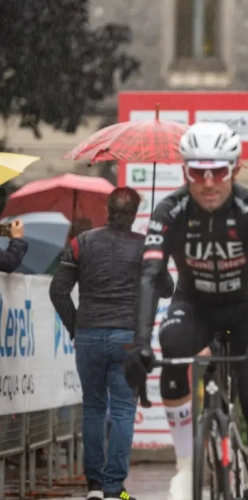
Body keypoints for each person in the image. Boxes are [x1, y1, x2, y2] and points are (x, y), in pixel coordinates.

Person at [123, 121, 248, 500]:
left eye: (217, 172)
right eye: (198, 172)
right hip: (194, 305)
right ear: (185, 172)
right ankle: (186, 466)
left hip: (246, 311)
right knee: (172, 342)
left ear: (234, 170)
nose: (208, 183)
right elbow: (149, 275)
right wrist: (139, 343)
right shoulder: (170, 210)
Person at [49, 188, 174, 500]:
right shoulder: (147, 247)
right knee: (121, 411)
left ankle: (93, 486)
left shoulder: (81, 242)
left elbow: (57, 291)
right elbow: (168, 289)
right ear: (135, 213)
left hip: (89, 333)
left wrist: (75, 326)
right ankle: (113, 487)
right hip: (129, 339)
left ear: (107, 209)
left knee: (92, 408)